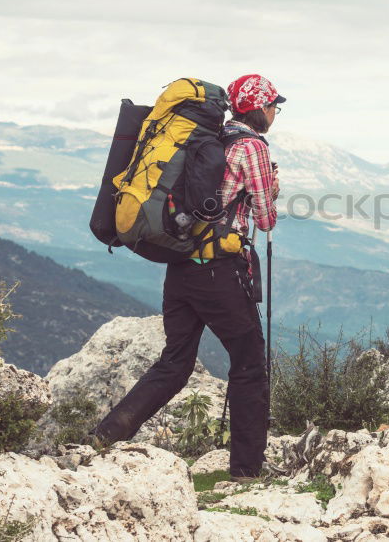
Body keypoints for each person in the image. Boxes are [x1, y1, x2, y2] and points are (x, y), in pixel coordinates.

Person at [90, 73, 284, 482]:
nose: (274, 113)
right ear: (259, 109)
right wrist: (273, 187)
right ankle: (247, 471)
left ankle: (106, 436)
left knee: (175, 363)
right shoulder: (251, 148)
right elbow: (265, 219)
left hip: (180, 267)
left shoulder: (209, 138)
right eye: (272, 106)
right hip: (221, 272)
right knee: (249, 364)